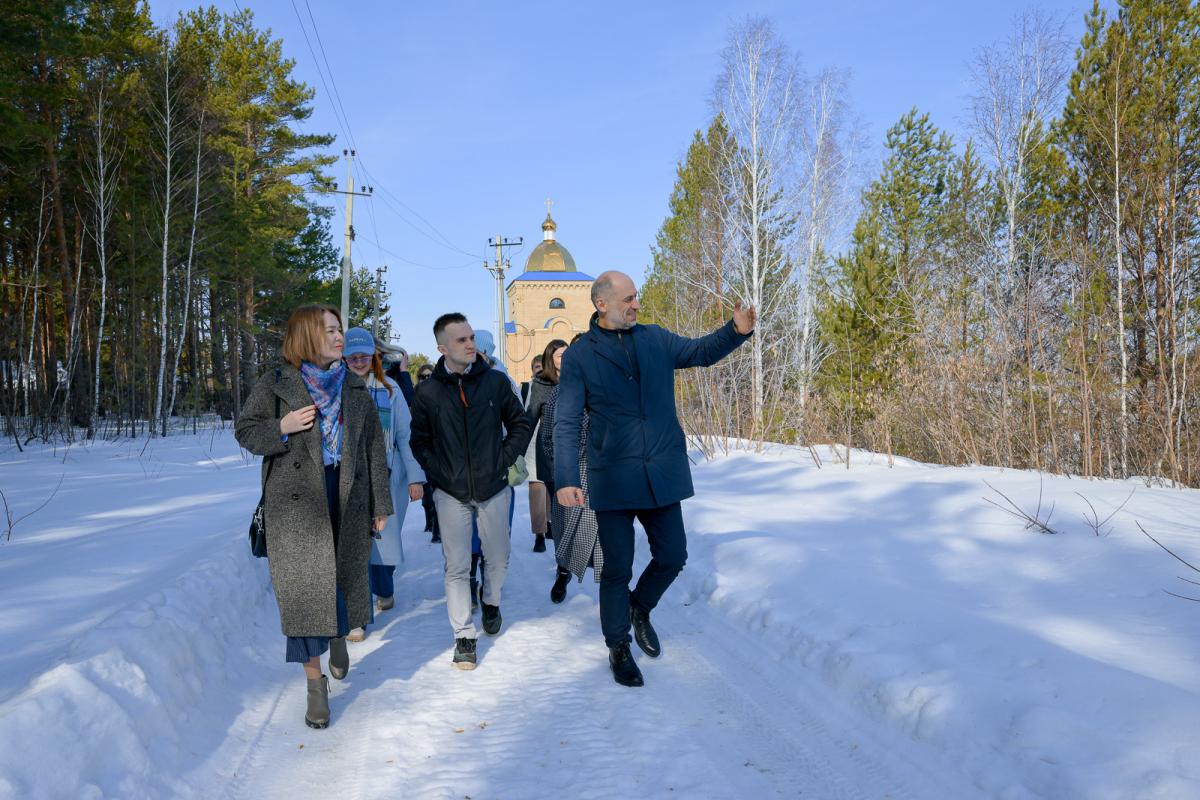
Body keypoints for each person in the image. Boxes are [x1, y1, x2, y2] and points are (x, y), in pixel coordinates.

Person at [554, 271, 755, 687]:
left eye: (636, 297)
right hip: (613, 477)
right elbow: (567, 420)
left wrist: (736, 331)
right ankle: (618, 646)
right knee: (616, 570)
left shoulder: (655, 338)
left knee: (673, 556)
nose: (636, 304)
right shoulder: (581, 356)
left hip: (661, 472)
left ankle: (639, 608)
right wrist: (565, 477)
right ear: (602, 304)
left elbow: (700, 351)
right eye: (628, 299)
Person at [234, 304, 392, 728]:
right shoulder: (277, 382)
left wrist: (381, 505)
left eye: (339, 330)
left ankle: (339, 633)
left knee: (341, 578)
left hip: (348, 495)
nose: (340, 337)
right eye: (330, 331)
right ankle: (314, 685)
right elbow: (246, 429)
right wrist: (281, 426)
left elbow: (374, 448)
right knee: (303, 594)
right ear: (306, 336)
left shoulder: (355, 387)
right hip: (296, 506)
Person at [409, 313, 532, 670]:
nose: (470, 344)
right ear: (442, 348)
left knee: (498, 557)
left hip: (493, 487)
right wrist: (438, 472)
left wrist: (503, 458)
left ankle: (491, 600)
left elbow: (520, 423)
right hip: (451, 492)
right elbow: (420, 441)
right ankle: (464, 635)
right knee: (457, 566)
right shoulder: (428, 392)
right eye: (461, 340)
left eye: (470, 337)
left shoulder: (494, 382)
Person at [341, 328, 425, 642]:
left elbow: (405, 437)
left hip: (389, 479)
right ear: (345, 358)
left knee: (383, 545)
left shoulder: (390, 391)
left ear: (373, 357)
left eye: (365, 355)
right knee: (354, 547)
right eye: (353, 355)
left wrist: (415, 477)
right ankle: (358, 618)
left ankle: (385, 588)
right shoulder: (336, 391)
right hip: (350, 480)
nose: (359, 360)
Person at [538, 335, 599, 603]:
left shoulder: (605, 387)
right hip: (573, 469)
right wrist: (561, 469)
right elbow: (548, 437)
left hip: (604, 469)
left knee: (601, 529)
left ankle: (610, 581)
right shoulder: (562, 392)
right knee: (566, 526)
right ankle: (563, 570)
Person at [524, 339, 567, 552]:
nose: (565, 359)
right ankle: (561, 555)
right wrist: (514, 452)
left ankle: (576, 546)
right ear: (551, 359)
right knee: (555, 501)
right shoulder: (541, 384)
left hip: (574, 451)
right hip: (548, 453)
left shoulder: (577, 378)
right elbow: (529, 419)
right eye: (560, 356)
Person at [415, 364, 439, 541]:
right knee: (426, 491)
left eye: (429, 376)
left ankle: (437, 529)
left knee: (437, 489)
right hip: (421, 449)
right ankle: (428, 519)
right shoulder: (415, 395)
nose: (426, 379)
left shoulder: (441, 394)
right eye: (422, 377)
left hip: (438, 450)